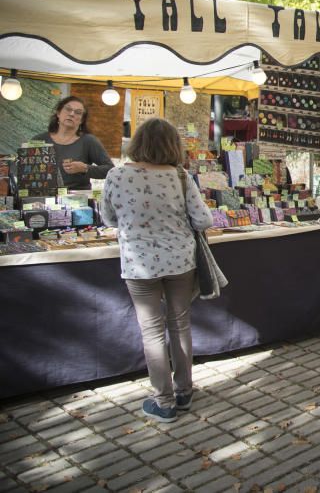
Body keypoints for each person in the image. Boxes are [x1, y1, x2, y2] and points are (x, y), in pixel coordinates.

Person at [101, 118, 213, 423]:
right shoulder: (180, 176)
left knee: (151, 332)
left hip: (139, 264)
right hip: (180, 261)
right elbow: (204, 221)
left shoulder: (116, 175)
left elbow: (108, 218)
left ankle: (163, 402)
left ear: (137, 143)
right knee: (180, 325)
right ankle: (185, 391)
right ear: (173, 145)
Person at [32, 96, 113, 190]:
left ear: (82, 120)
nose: (71, 114)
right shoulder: (39, 140)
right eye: (68, 109)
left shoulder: (88, 141)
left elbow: (110, 169)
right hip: (43, 198)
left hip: (78, 201)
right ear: (58, 113)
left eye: (78, 112)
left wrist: (85, 168)